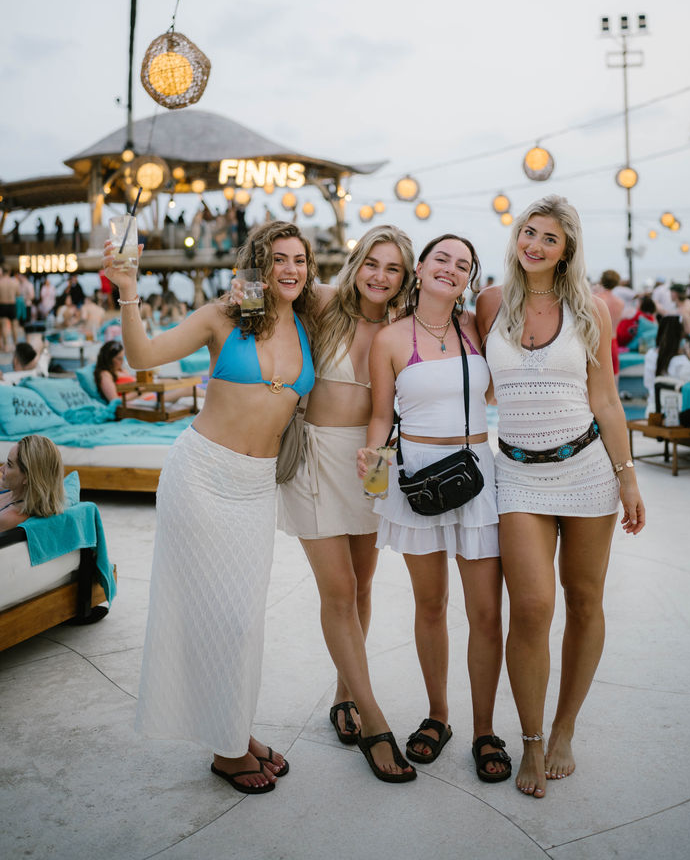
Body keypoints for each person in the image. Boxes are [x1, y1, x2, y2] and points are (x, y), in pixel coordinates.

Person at [103, 220, 318, 796]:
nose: (291, 269)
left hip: (255, 485)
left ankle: (235, 730)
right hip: (200, 476)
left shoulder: (308, 323)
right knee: (212, 616)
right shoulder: (226, 316)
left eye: (300, 259)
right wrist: (128, 288)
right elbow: (143, 354)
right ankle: (227, 750)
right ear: (260, 264)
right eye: (279, 259)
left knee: (242, 621)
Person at [477, 195, 645, 800]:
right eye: (529, 232)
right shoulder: (491, 303)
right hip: (517, 473)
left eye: (550, 238)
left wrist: (626, 476)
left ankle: (564, 728)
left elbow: (605, 400)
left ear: (566, 249)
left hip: (587, 470)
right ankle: (528, 738)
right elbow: (468, 377)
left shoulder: (589, 309)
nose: (536, 245)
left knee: (585, 598)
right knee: (531, 608)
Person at [361, 235, 509, 785]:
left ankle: (485, 728)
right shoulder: (390, 338)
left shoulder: (478, 327)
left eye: (463, 264)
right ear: (419, 269)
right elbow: (381, 416)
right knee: (430, 605)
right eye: (441, 258)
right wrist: (375, 473)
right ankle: (439, 715)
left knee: (486, 611)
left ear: (470, 278)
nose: (451, 268)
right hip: (417, 477)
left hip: (478, 475)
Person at [275, 226, 417, 783]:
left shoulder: (403, 328)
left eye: (394, 269)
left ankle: (344, 695)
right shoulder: (326, 302)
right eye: (372, 264)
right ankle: (376, 722)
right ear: (356, 263)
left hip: (374, 460)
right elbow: (272, 280)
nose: (380, 277)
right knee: (337, 590)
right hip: (314, 457)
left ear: (406, 277)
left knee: (362, 584)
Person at [0, 436, 66, 533]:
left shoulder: (8, 518)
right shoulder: (17, 493)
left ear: (27, 477)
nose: (2, 468)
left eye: (9, 464)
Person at [642, 316, 690, 413]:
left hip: (653, 409)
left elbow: (647, 383)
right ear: (680, 335)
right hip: (677, 411)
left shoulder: (650, 355)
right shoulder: (682, 361)